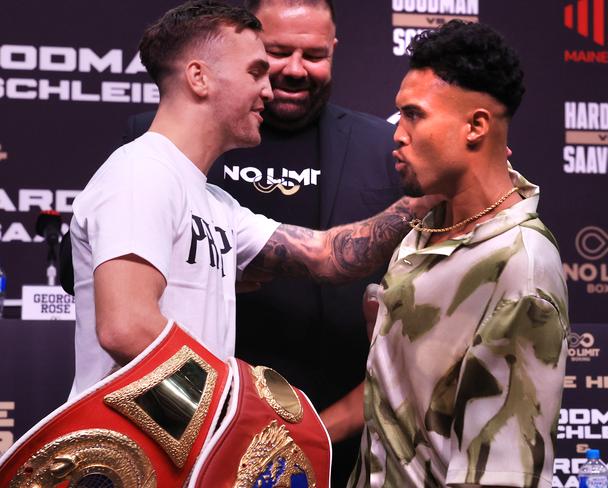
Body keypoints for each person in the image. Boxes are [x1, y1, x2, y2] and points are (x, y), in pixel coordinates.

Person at [69, 0, 432, 411]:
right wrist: (242, 405)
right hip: (129, 456)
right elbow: (126, 328)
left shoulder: (213, 201)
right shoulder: (141, 173)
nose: (269, 87)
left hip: (188, 447)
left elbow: (325, 254)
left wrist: (434, 195)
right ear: (199, 78)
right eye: (257, 70)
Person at [123, 1, 400, 482]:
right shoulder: (150, 160)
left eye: (314, 55)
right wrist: (231, 416)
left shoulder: (381, 146)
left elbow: (326, 254)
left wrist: (436, 195)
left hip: (334, 438)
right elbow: (117, 313)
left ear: (334, 50)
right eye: (269, 57)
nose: (290, 72)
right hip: (190, 427)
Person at [348, 21, 569, 487]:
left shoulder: (519, 266)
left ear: (476, 126)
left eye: (414, 115)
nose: (397, 134)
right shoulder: (428, 229)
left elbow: (504, 474)